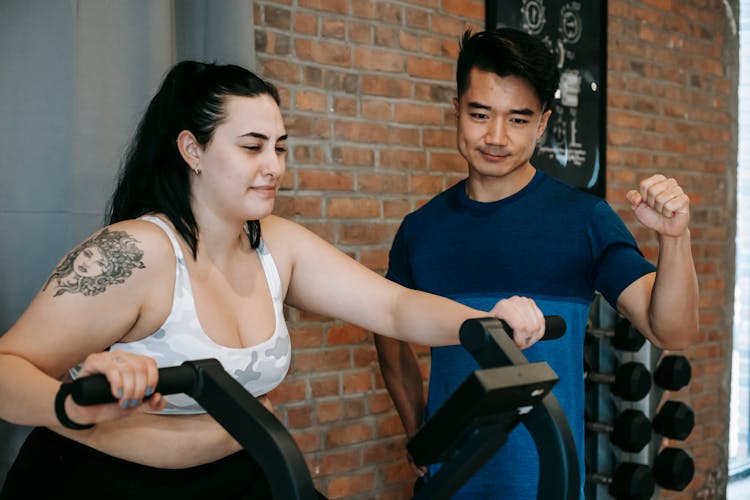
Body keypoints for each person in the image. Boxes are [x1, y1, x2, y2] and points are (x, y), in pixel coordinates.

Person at [0, 60, 547, 499]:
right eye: (252, 146)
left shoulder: (277, 243)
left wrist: (482, 322)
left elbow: (395, 309)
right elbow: (6, 369)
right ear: (192, 150)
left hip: (245, 475)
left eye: (280, 146)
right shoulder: (134, 252)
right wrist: (68, 404)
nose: (274, 166)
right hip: (107, 484)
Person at [374, 28, 700, 499]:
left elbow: (673, 330)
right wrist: (417, 430)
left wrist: (675, 239)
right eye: (480, 114)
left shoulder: (584, 219)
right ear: (457, 110)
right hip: (449, 482)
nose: (496, 137)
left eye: (519, 119)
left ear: (543, 123)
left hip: (548, 481)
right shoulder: (421, 229)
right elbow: (387, 334)